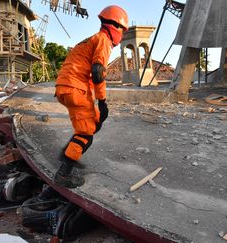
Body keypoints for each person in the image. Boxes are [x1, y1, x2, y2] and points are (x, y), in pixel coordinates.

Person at [54, 5, 129, 188]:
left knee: (94, 121)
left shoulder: (90, 40)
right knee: (87, 134)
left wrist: (99, 107)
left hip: (65, 89)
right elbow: (98, 72)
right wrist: (103, 101)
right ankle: (63, 174)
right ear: (117, 27)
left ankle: (69, 154)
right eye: (122, 30)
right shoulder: (103, 40)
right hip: (76, 89)